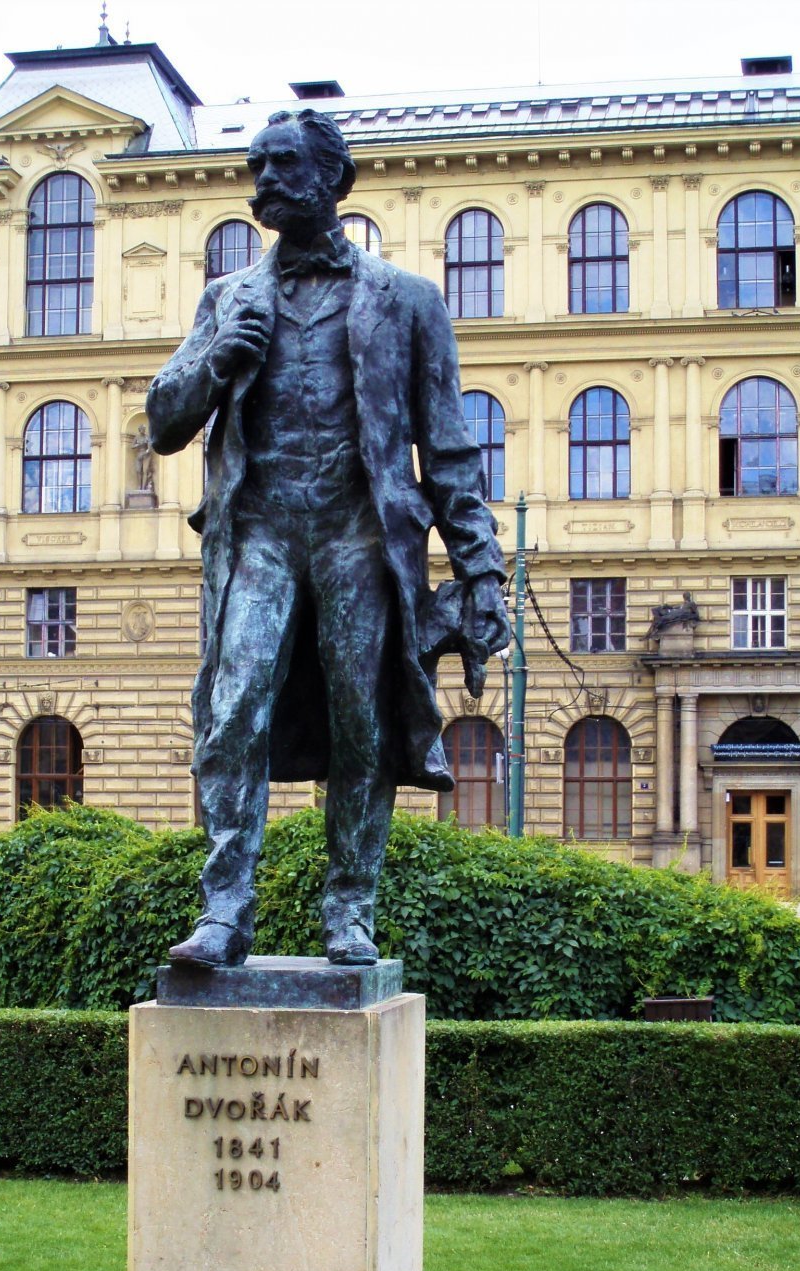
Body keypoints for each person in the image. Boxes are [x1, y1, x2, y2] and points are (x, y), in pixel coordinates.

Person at [147, 107, 509, 968]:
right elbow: (163, 422)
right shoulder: (227, 300)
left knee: (362, 722)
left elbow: (449, 448)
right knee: (232, 711)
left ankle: (350, 910)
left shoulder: (409, 301)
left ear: (332, 181)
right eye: (256, 164)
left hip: (359, 533)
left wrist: (481, 572)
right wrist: (216, 362)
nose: (263, 180)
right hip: (261, 532)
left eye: (280, 165)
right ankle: (225, 912)